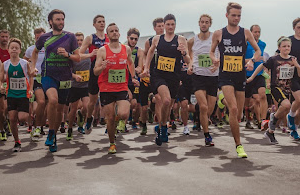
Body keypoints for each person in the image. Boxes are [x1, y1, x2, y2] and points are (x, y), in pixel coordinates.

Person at [210, 2, 261, 158]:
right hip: (225, 76)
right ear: (227, 15)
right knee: (233, 109)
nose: (236, 18)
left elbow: (258, 50)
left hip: (240, 75)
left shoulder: (246, 32)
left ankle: (222, 101)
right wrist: (215, 60)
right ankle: (239, 145)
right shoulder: (219, 33)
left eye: (239, 15)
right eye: (233, 15)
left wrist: (252, 60)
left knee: (238, 114)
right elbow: (211, 52)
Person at [30, 9, 80, 153]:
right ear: (51, 22)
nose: (61, 22)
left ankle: (53, 134)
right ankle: (50, 132)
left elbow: (77, 57)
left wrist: (67, 54)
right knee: (52, 100)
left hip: (65, 76)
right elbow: (35, 51)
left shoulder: (70, 37)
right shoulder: (44, 37)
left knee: (60, 109)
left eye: (62, 19)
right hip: (48, 74)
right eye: (57, 19)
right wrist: (33, 67)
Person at [142, 14, 191, 145]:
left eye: (172, 24)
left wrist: (184, 53)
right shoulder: (158, 39)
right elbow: (150, 52)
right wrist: (146, 67)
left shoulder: (181, 39)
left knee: (168, 106)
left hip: (174, 77)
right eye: (167, 24)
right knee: (166, 100)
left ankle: (162, 125)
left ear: (175, 25)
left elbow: (188, 60)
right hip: (159, 75)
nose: (170, 27)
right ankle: (163, 127)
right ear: (164, 26)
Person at [249, 37, 300, 144]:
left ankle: (270, 131)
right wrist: (252, 77)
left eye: (288, 46)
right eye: (284, 46)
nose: (286, 48)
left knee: (288, 107)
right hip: (276, 87)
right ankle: (273, 119)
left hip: (288, 87)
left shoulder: (293, 59)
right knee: (287, 105)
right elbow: (262, 66)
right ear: (279, 47)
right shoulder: (274, 59)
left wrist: (297, 66)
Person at [94, 23, 135, 154]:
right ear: (108, 34)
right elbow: (95, 71)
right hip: (106, 88)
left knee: (123, 113)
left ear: (119, 33)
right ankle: (112, 143)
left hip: (122, 87)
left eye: (116, 30)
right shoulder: (102, 51)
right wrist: (102, 67)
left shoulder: (126, 49)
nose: (115, 33)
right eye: (111, 31)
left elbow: (130, 63)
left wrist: (133, 77)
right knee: (110, 118)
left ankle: (120, 120)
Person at [187, 14, 219, 146]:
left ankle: (202, 120)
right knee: (204, 107)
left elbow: (221, 53)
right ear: (199, 24)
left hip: (213, 76)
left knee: (209, 110)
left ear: (210, 24)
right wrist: (190, 65)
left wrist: (217, 62)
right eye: (202, 22)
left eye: (207, 22)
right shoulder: (192, 41)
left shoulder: (215, 38)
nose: (204, 24)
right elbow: (190, 55)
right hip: (198, 76)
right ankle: (207, 135)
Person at [78, 15, 109, 132]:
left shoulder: (109, 38)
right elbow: (79, 55)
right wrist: (90, 55)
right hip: (94, 69)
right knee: (92, 100)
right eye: (99, 22)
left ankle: (108, 123)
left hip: (107, 70)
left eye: (103, 21)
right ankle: (89, 118)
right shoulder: (90, 38)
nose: (102, 23)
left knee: (107, 99)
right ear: (94, 24)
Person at [3, 38, 33, 152]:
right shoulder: (5, 64)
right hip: (11, 94)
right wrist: (0, 84)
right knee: (12, 118)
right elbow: (1, 78)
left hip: (23, 94)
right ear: (8, 50)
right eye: (12, 48)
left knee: (22, 118)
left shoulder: (24, 63)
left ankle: (31, 121)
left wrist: (30, 89)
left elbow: (30, 76)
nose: (14, 50)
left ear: (20, 50)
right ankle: (17, 141)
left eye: (16, 48)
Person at [66, 32, 91, 139]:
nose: (79, 42)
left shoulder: (89, 52)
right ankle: (70, 128)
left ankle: (81, 119)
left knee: (86, 107)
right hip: (75, 85)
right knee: (73, 108)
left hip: (86, 85)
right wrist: (74, 75)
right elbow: (66, 70)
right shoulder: (71, 54)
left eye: (81, 40)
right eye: (77, 40)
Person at [24, 27, 47, 140]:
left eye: (41, 37)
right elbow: (24, 61)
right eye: (37, 37)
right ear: (35, 37)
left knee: (46, 106)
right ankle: (36, 126)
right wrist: (31, 67)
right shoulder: (31, 49)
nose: (39, 39)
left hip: (48, 78)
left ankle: (40, 126)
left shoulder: (49, 48)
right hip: (36, 78)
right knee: (41, 102)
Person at [245, 24, 267, 129]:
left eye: (259, 32)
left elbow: (262, 58)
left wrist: (262, 60)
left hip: (259, 74)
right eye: (255, 32)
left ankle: (261, 121)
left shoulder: (262, 44)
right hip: (248, 75)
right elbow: (240, 59)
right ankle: (248, 117)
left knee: (261, 96)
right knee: (248, 100)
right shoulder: (246, 44)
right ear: (251, 33)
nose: (257, 34)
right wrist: (251, 60)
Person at [0, 29, 11, 140]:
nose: (4, 39)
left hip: (10, 82)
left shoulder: (12, 50)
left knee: (8, 107)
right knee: (0, 108)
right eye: (2, 37)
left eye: (6, 37)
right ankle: (2, 129)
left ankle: (2, 122)